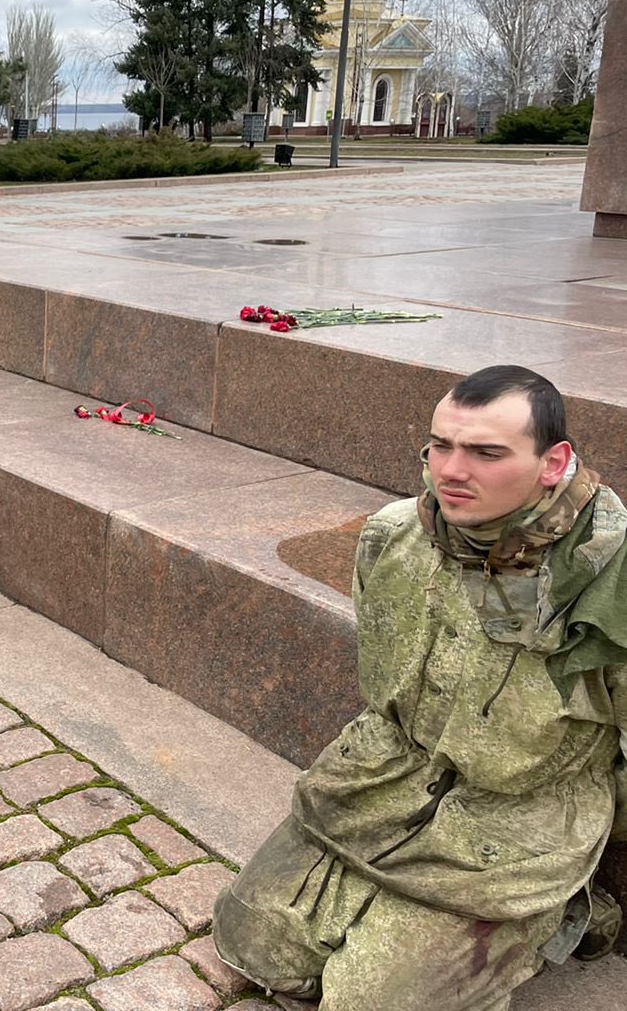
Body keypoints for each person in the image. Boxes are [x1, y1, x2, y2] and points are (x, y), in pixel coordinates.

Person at [214, 366, 627, 1009]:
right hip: (383, 780)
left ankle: (558, 912)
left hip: (513, 823)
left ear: (554, 463)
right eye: (440, 446)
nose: (451, 471)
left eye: (487, 453)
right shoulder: (394, 534)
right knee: (250, 943)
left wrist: (583, 831)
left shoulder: (613, 583)